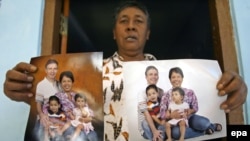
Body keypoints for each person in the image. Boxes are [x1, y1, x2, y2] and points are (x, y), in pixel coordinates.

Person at [2, 0, 248, 141]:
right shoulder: (91, 76)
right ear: (114, 32)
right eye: (124, 21)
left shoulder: (173, 77)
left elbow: (229, 125)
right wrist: (26, 91)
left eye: (139, 21)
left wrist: (227, 94)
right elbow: (61, 102)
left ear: (148, 33)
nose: (131, 26)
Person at [160, 67, 222, 140]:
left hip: (190, 118)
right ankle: (204, 131)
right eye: (173, 77)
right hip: (176, 122)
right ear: (170, 79)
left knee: (204, 123)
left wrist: (190, 111)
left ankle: (211, 126)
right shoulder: (166, 95)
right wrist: (171, 115)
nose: (176, 79)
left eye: (178, 76)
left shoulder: (189, 92)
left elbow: (195, 107)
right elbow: (162, 113)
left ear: (182, 78)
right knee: (176, 134)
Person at [34, 59, 61, 141]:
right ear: (46, 70)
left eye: (55, 68)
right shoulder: (41, 85)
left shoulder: (59, 84)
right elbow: (38, 103)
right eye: (50, 69)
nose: (52, 71)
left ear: (57, 70)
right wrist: (41, 115)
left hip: (58, 115)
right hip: (46, 115)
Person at [138, 65, 165, 140]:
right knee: (145, 123)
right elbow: (146, 114)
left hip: (158, 122)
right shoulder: (142, 93)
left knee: (164, 124)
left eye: (155, 74)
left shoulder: (161, 91)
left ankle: (159, 137)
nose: (153, 76)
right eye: (150, 74)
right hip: (148, 126)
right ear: (146, 77)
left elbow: (164, 109)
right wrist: (154, 131)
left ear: (158, 77)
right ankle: (155, 137)